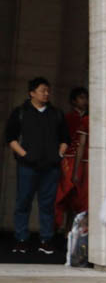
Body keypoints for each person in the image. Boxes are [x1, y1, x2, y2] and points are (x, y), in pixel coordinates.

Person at [5, 77, 70, 255]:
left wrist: (59, 154)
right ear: (32, 93)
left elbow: (65, 139)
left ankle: (46, 240)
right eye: (42, 90)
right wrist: (25, 155)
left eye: (48, 91)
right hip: (27, 166)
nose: (46, 94)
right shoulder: (20, 112)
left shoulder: (56, 113)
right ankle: (21, 239)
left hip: (51, 167)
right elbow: (10, 138)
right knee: (23, 203)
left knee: (47, 205)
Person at [54, 87, 90, 233]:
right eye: (81, 98)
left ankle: (70, 232)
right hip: (69, 160)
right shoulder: (67, 118)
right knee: (66, 194)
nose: (85, 101)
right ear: (73, 101)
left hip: (83, 162)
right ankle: (59, 228)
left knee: (79, 198)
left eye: (86, 98)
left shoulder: (89, 118)